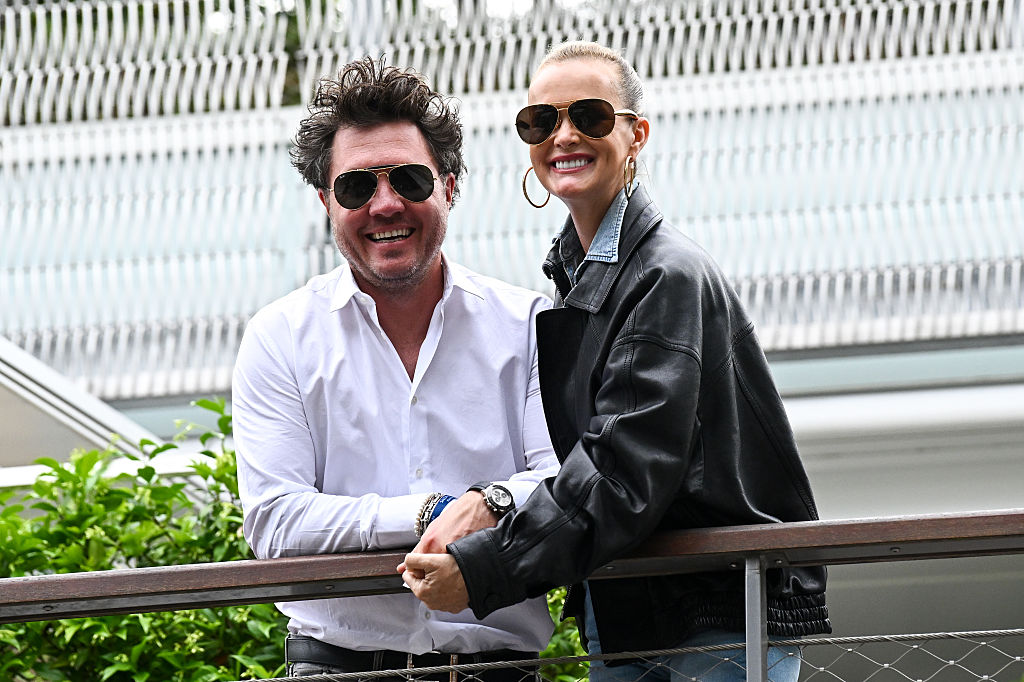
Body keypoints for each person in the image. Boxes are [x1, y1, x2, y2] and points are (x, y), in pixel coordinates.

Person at [401, 41, 831, 682]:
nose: (563, 136)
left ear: (637, 135)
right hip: (632, 609)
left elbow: (621, 468)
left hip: (717, 610)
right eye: (540, 121)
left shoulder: (665, 275)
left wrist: (487, 566)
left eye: (590, 116)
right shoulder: (580, 277)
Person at [231, 56, 559, 679]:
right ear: (326, 202)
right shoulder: (279, 338)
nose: (385, 204)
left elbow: (559, 481)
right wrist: (427, 512)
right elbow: (275, 521)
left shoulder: (529, 324)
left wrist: (487, 503)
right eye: (356, 187)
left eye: (409, 179)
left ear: (449, 187)